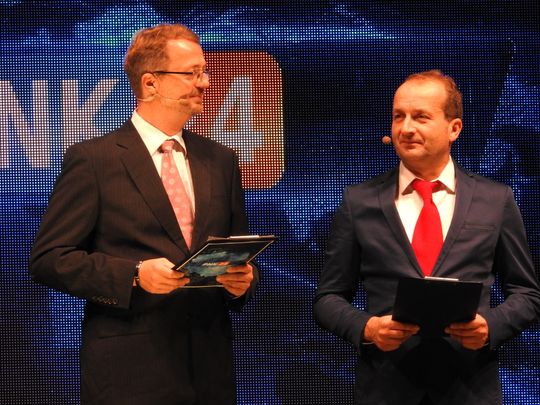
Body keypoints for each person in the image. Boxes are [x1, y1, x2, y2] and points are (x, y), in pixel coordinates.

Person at [30, 24, 257, 405]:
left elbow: (235, 251)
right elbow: (49, 259)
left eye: (204, 72)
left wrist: (243, 281)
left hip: (210, 371)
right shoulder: (94, 160)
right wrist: (134, 275)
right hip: (129, 375)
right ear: (150, 83)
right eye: (192, 73)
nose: (205, 83)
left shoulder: (221, 160)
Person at [313, 70, 540, 405]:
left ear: (454, 128)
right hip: (386, 390)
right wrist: (367, 328)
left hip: (470, 390)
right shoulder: (358, 202)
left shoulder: (495, 200)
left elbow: (527, 294)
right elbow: (328, 299)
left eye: (420, 117)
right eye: (398, 116)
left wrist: (490, 326)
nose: (406, 128)